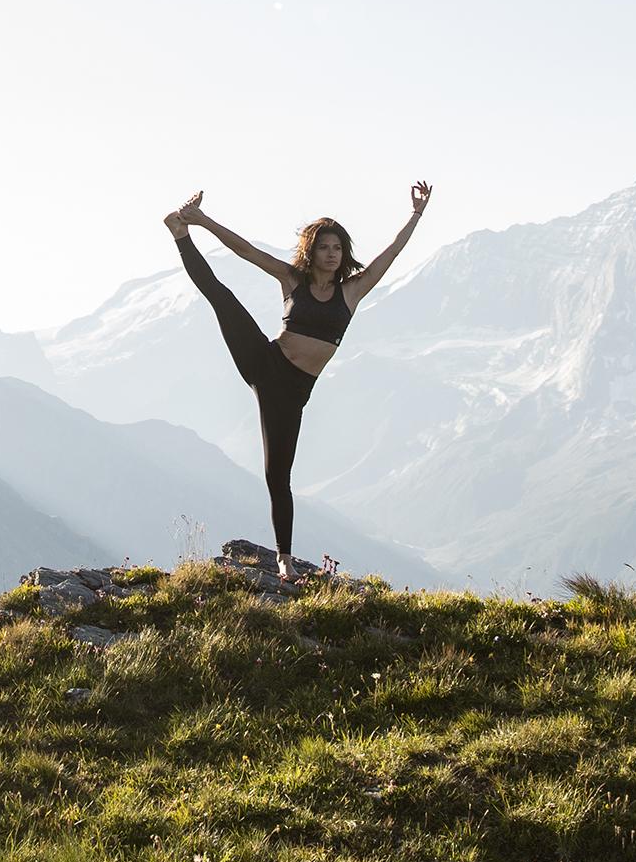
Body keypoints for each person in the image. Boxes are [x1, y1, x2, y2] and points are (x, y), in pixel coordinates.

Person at [163, 181, 433, 581]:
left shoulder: (353, 291)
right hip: (264, 362)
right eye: (324, 247)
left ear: (344, 255)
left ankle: (283, 556)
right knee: (222, 298)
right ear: (313, 251)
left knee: (278, 474)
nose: (330, 254)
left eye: (337, 248)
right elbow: (246, 251)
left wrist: (416, 214)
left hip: (291, 393)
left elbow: (390, 254)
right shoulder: (293, 281)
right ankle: (180, 232)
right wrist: (201, 220)